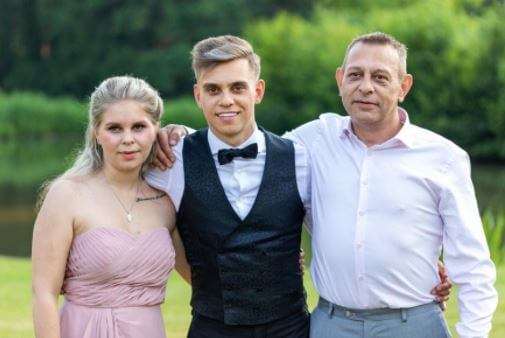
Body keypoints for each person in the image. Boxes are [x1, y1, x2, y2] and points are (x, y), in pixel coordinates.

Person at [149, 35, 452, 338]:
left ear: (258, 91)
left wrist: (419, 264)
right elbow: (118, 185)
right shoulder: (172, 159)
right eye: (213, 89)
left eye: (237, 87)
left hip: (289, 329)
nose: (226, 100)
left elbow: (356, 215)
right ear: (198, 95)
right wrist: (166, 133)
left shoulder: (301, 156)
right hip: (210, 329)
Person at [283, 32, 497, 338]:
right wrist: (188, 136)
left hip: (415, 325)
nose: (365, 86)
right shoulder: (313, 141)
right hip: (331, 324)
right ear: (340, 79)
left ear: (403, 86)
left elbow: (473, 265)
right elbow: (248, 153)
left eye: (380, 77)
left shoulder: (444, 158)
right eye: (355, 75)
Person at [31, 76, 190, 338]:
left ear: (156, 129)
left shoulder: (165, 202)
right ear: (96, 131)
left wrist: (188, 136)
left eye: (139, 127)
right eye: (114, 128)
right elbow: (44, 293)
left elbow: (202, 280)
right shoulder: (67, 195)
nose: (128, 139)